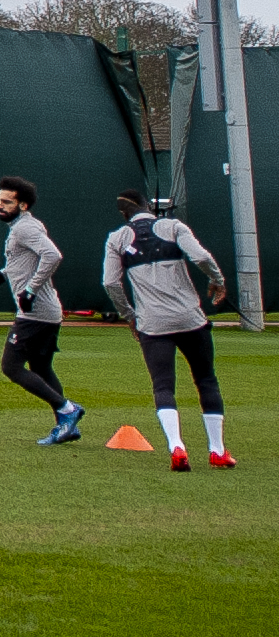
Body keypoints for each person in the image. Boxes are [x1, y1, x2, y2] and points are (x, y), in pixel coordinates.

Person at [103, 190, 234, 470]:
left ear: (123, 213)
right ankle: (217, 451)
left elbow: (110, 283)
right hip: (190, 319)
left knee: (163, 386)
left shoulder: (117, 238)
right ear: (148, 206)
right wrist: (217, 280)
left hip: (152, 324)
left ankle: (177, 447)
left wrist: (129, 316)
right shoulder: (174, 226)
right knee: (206, 380)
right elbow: (200, 256)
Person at [0, 177, 84, 445]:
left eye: (7, 202)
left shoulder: (24, 228)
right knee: (41, 367)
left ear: (24, 205)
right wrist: (3, 274)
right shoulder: (24, 226)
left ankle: (67, 410)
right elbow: (24, 260)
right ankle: (66, 426)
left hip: (36, 312)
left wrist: (30, 290)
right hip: (47, 311)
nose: (0, 205)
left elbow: (53, 255)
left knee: (11, 366)